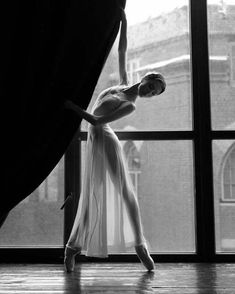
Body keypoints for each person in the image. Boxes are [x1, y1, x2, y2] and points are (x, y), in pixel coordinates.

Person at [64, 8, 166, 272]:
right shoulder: (122, 83)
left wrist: (72, 107)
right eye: (152, 86)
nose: (150, 92)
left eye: (154, 94)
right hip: (96, 141)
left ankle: (140, 247)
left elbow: (97, 122)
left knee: (124, 192)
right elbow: (122, 51)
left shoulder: (131, 105)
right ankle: (72, 248)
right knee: (91, 194)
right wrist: (123, 20)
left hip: (105, 140)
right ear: (146, 78)